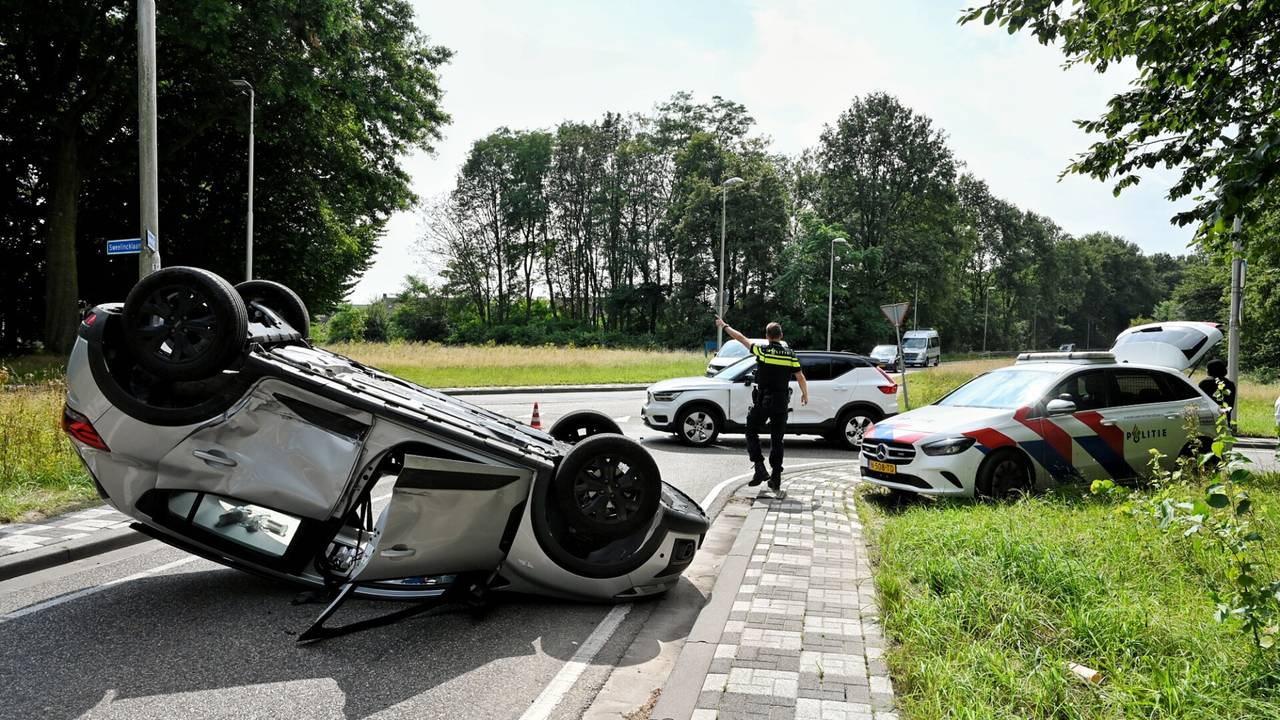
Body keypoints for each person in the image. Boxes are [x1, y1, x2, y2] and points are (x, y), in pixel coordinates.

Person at [715, 316, 808, 496]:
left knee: (751, 431)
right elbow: (800, 376)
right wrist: (805, 394)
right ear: (781, 335)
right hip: (781, 403)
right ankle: (776, 478)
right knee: (777, 440)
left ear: (767, 336)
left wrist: (725, 325)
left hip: (764, 401)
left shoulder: (763, 351)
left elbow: (741, 338)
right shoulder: (790, 354)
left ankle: (759, 467)